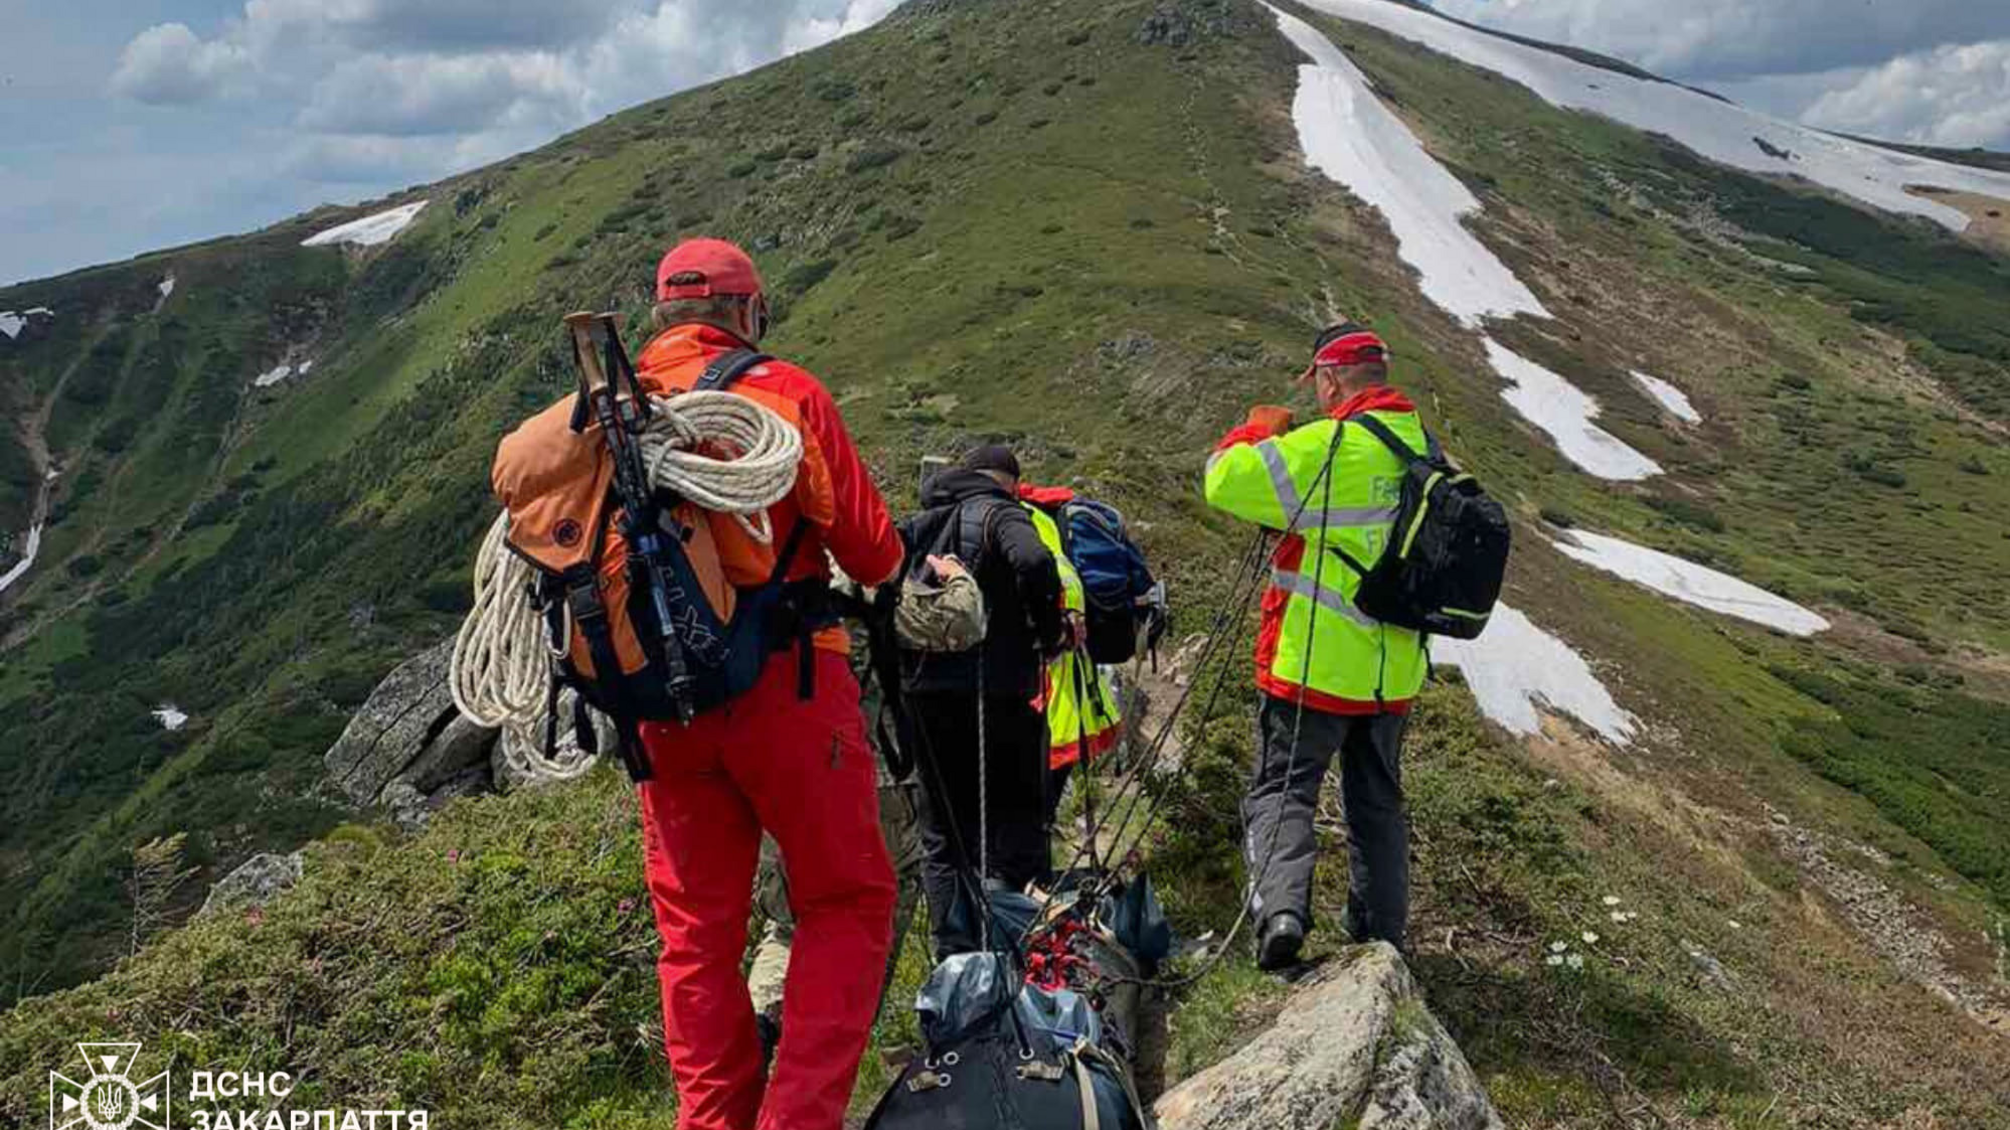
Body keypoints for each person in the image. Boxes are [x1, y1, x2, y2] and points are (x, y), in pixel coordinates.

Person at [630, 238, 906, 1130]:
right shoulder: (784, 394)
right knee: (847, 899)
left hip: (663, 709)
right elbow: (872, 552)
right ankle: (797, 1120)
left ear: (663, 314)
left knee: (697, 941)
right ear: (747, 312)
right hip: (787, 687)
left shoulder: (615, 412)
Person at [1201, 322, 1431, 971]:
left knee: (1282, 789)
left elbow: (1223, 480)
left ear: (1330, 380)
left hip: (1314, 663)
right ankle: (1381, 937)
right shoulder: (1423, 445)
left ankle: (1281, 917)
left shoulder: (1329, 445)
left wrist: (1257, 430)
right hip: (1392, 674)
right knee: (1378, 803)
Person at [745, 554, 982, 1057]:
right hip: (870, 783)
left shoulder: (736, 562)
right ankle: (832, 1051)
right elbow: (963, 620)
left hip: (775, 782)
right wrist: (955, 574)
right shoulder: (855, 571)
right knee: (873, 918)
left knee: (788, 925)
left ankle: (762, 1033)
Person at [899, 445, 1067, 958]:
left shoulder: (918, 521)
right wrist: (1047, 628)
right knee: (1012, 820)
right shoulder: (1001, 512)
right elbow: (1036, 561)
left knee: (943, 836)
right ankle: (1015, 947)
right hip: (999, 693)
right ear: (1008, 483)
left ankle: (955, 958)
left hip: (924, 695)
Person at [1018, 483, 1123, 833]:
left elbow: (1054, 582)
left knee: (1032, 800)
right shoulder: (1050, 519)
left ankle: (1030, 873)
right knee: (1043, 797)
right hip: (1073, 683)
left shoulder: (1026, 519)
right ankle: (1037, 857)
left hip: (1048, 684)